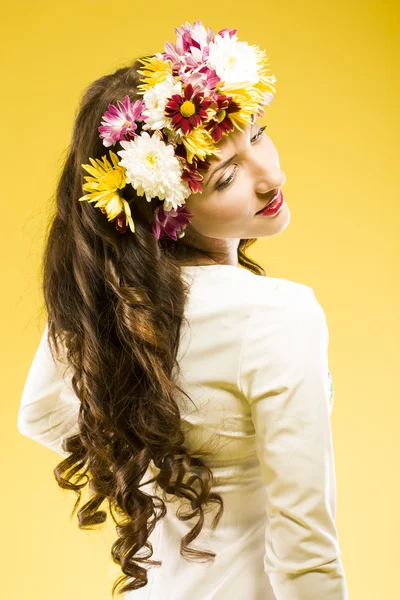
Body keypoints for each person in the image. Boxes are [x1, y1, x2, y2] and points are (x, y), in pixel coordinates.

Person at [17, 19, 348, 600]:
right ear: (165, 211)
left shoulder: (112, 301)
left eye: (259, 133)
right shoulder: (278, 313)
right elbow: (305, 550)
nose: (272, 176)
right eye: (225, 178)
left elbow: (41, 414)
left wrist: (156, 455)